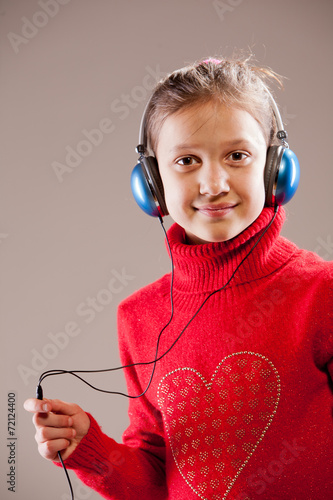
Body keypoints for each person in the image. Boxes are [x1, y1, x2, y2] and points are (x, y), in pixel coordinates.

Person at [24, 56, 333, 500]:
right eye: (187, 160)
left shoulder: (321, 292)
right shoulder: (139, 316)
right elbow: (153, 477)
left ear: (275, 167)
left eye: (238, 155)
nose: (213, 183)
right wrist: (87, 447)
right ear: (151, 184)